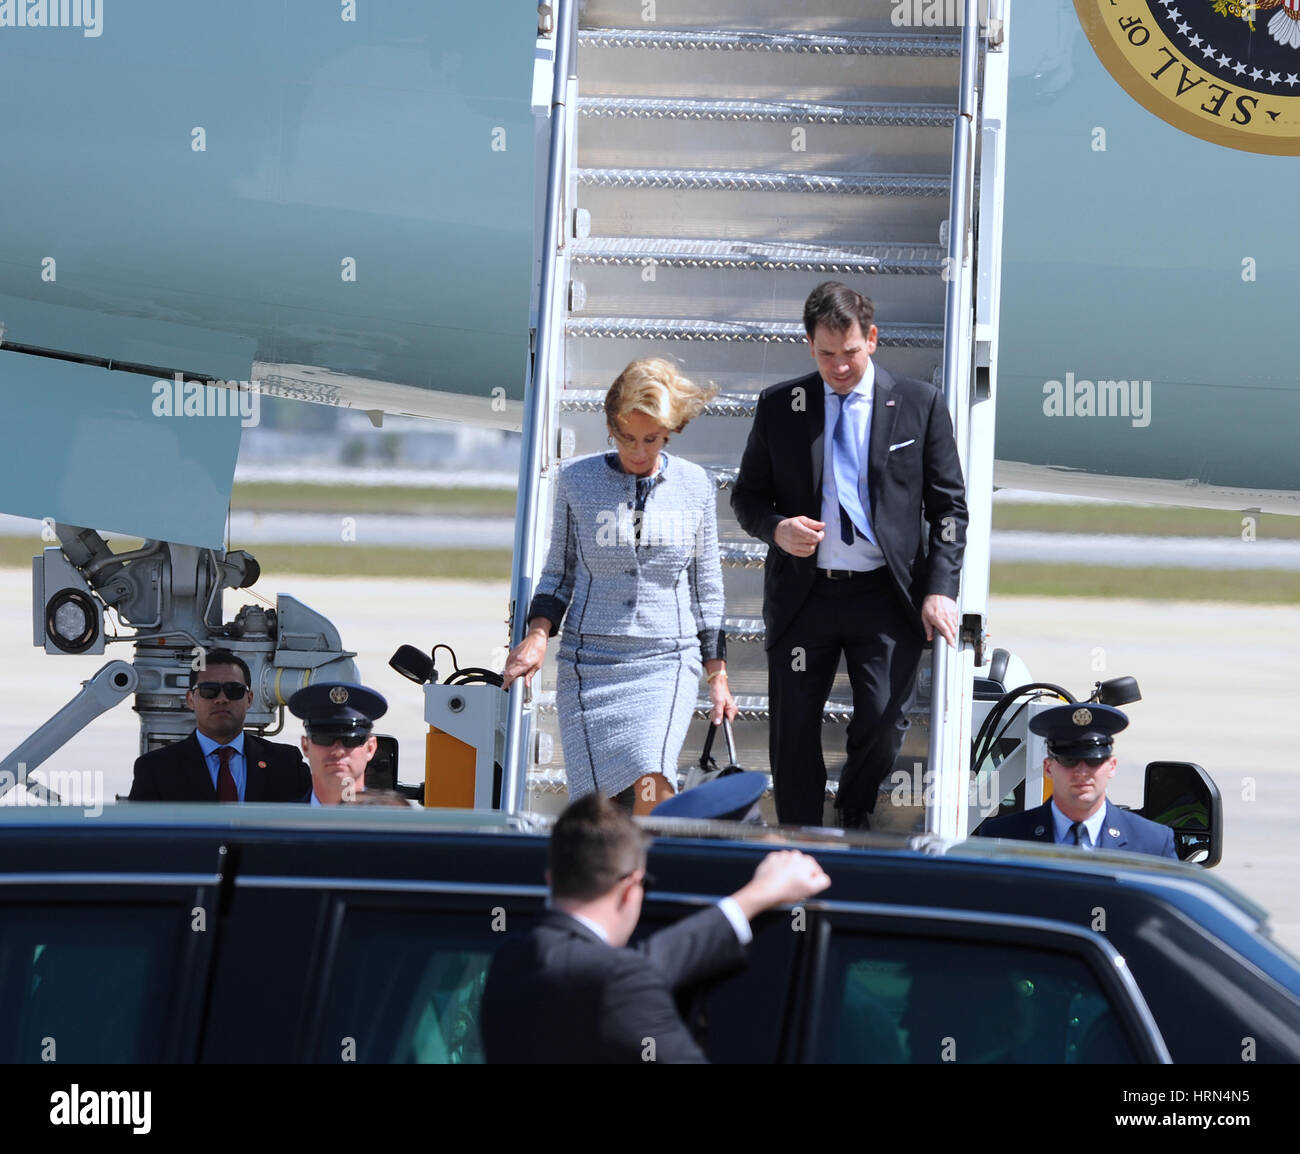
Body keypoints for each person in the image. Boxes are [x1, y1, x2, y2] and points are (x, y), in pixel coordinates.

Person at [731, 282, 968, 829]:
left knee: (886, 718)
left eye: (851, 353)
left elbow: (949, 508)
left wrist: (940, 588)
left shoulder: (918, 404)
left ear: (874, 340)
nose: (839, 367)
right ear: (809, 346)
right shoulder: (780, 406)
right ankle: (799, 833)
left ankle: (854, 808)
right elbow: (746, 498)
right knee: (793, 730)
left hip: (885, 593)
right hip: (804, 595)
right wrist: (777, 528)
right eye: (826, 355)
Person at [502, 357, 738, 815]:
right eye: (626, 438)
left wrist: (718, 676)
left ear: (669, 430)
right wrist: (535, 637)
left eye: (650, 439)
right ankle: (610, 878)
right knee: (600, 807)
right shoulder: (577, 482)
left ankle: (650, 870)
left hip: (665, 659)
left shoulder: (696, 486)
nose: (637, 450)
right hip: (589, 665)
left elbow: (706, 587)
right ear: (610, 428)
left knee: (651, 777)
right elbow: (558, 574)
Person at [479, 792, 830, 1063]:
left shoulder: (508, 962)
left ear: (551, 879)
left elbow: (646, 966)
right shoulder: (617, 982)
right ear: (632, 887)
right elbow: (630, 975)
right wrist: (759, 895)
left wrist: (753, 898)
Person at [975, 703, 1177, 858]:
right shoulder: (1001, 838)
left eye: (1093, 760)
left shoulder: (1152, 843)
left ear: (1111, 766)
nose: (1082, 771)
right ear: (1048, 768)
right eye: (1069, 760)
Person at [127, 649, 309, 802]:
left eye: (234, 691)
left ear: (249, 699)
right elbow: (140, 840)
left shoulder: (286, 763)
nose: (221, 699)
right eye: (209, 691)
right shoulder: (156, 769)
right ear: (190, 700)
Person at [287, 682, 387, 805]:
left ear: (371, 748)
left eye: (351, 740)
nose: (338, 751)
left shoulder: (395, 823)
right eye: (324, 738)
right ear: (305, 746)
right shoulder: (277, 823)